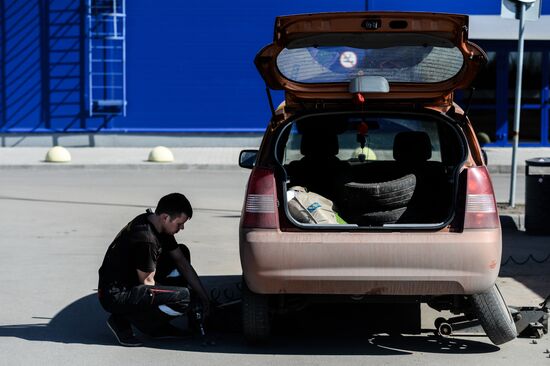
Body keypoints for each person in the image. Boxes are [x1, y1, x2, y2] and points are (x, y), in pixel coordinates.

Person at [98, 193, 210, 347]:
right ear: (165, 217)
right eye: (179, 224)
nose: (182, 228)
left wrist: (205, 298)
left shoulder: (155, 223)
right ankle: (135, 323)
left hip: (129, 280)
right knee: (185, 298)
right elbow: (147, 284)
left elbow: (182, 262)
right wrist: (185, 299)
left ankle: (145, 319)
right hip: (116, 294)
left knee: (182, 252)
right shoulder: (147, 240)